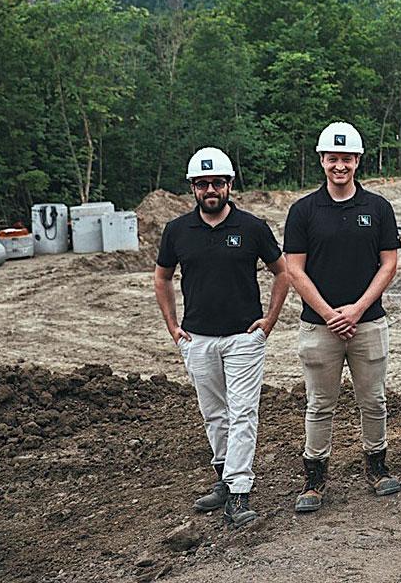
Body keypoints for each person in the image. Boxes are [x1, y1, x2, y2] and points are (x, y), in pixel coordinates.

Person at [155, 147, 289, 527]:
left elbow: (282, 273)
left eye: (216, 183)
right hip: (198, 339)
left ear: (230, 185)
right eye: (202, 184)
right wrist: (173, 326)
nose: (209, 190)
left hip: (243, 338)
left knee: (243, 411)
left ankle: (240, 492)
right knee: (214, 414)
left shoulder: (252, 228)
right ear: (193, 188)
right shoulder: (177, 231)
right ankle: (223, 479)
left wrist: (269, 320)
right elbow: (162, 277)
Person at [283, 122, 401, 513]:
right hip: (320, 327)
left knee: (374, 401)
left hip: (368, 323)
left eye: (347, 159)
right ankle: (314, 480)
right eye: (333, 159)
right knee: (320, 404)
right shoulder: (303, 211)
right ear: (322, 160)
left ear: (357, 161)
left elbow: (389, 264)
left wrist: (357, 309)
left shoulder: (378, 208)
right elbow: (294, 269)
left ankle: (377, 468)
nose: (340, 166)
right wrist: (329, 314)